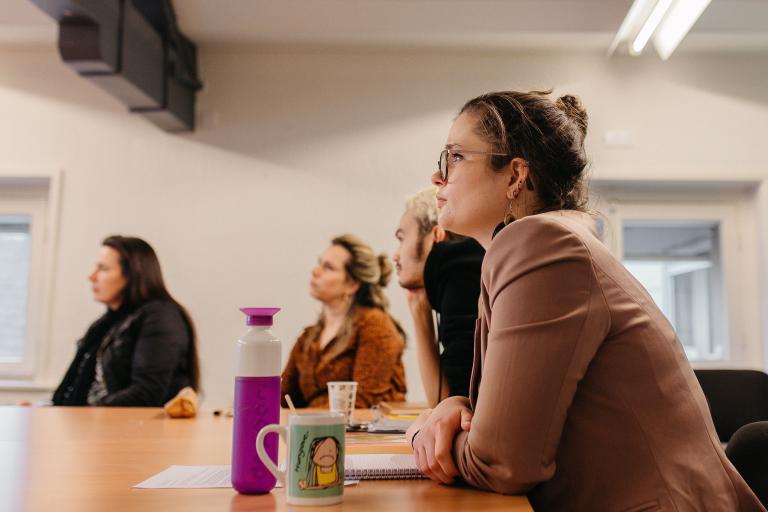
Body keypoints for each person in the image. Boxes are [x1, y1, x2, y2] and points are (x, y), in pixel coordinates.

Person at [406, 90, 765, 511]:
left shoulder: (541, 244)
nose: (437, 177)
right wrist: (457, 404)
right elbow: (512, 421)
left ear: (515, 175)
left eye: (454, 157)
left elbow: (502, 463)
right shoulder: (547, 242)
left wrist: (422, 431)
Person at [53, 236, 200, 406]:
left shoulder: (160, 317)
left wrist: (85, 414)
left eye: (103, 268)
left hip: (128, 429)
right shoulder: (105, 323)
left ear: (131, 274)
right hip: (92, 424)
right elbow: (74, 388)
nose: (91, 276)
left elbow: (146, 393)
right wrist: (47, 407)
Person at [281, 234, 407, 408]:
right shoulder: (309, 337)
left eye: (328, 267)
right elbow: (282, 397)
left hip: (365, 434)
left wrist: (306, 416)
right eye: (320, 263)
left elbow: (363, 404)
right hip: (320, 431)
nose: (315, 271)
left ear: (353, 284)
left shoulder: (375, 325)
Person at [393, 188, 483, 405]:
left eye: (402, 239)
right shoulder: (456, 273)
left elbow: (457, 402)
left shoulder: (460, 270)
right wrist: (419, 312)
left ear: (436, 236)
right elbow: (443, 403)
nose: (395, 256)